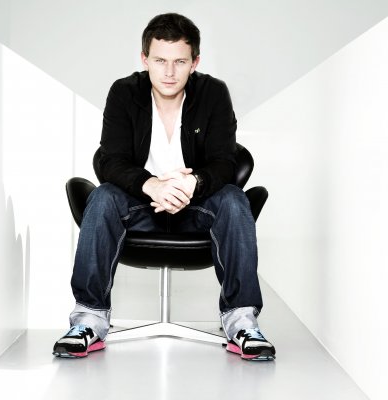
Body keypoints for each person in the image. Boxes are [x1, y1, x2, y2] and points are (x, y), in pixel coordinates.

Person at [53, 13, 275, 361]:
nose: (169, 72)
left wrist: (192, 182)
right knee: (103, 196)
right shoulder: (124, 92)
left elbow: (225, 162)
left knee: (234, 199)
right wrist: (152, 185)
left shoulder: (213, 93)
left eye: (179, 62)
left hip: (196, 208)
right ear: (145, 59)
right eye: (160, 60)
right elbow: (110, 160)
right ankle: (88, 321)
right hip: (140, 207)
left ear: (194, 62)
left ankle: (242, 324)